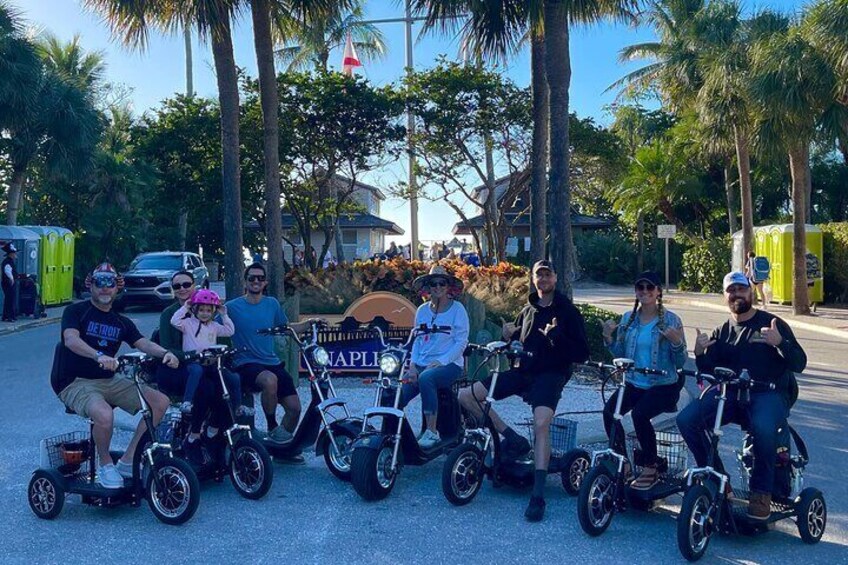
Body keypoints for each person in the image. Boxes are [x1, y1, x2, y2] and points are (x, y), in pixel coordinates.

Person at [458, 260, 589, 522]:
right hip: (523, 372)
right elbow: (517, 343)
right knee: (466, 396)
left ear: (555, 278)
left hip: (551, 375)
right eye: (538, 275)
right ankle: (512, 438)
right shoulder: (527, 309)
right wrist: (508, 337)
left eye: (547, 274)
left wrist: (556, 337)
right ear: (533, 279)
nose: (543, 279)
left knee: (542, 424)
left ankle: (538, 495)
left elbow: (582, 353)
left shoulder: (568, 312)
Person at [676, 271, 807, 521]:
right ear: (725, 296)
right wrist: (701, 353)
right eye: (731, 290)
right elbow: (709, 372)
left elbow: (799, 363)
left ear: (750, 291)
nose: (736, 294)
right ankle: (717, 476)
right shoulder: (721, 331)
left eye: (741, 288)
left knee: (763, 427)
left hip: (768, 394)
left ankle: (761, 493)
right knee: (686, 420)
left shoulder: (773, 324)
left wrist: (780, 343)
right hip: (731, 394)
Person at [52, 263, 177, 489]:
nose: (105, 288)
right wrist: (97, 355)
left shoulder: (121, 322)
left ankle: (129, 460)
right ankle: (106, 463)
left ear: (117, 288)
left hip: (108, 379)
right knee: (104, 414)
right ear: (91, 285)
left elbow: (143, 343)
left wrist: (165, 353)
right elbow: (70, 340)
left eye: (110, 283)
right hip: (75, 382)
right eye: (100, 282)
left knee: (160, 402)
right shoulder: (76, 312)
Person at [227, 263, 324, 461]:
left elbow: (286, 328)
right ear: (245, 282)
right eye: (252, 278)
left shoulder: (272, 304)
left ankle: (280, 448)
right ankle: (271, 426)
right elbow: (206, 319)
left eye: (260, 278)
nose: (256, 281)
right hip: (246, 363)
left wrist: (310, 322)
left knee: (295, 409)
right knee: (269, 381)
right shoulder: (231, 307)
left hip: (271, 361)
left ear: (265, 282)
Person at [601, 271, 686, 490]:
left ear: (658, 291)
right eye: (641, 288)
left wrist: (676, 343)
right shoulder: (628, 320)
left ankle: (651, 467)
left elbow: (681, 360)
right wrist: (609, 337)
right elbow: (619, 353)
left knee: (640, 414)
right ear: (636, 291)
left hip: (663, 384)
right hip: (634, 381)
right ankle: (623, 461)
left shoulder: (671, 320)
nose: (645, 292)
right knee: (610, 412)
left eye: (650, 288)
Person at [399, 265, 469, 448]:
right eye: (433, 284)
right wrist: (412, 366)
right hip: (422, 364)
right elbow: (417, 340)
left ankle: (432, 432)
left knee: (427, 378)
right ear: (428, 287)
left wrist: (441, 361)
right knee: (395, 394)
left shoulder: (458, 309)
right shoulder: (422, 311)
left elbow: (461, 342)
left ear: (448, 286)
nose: (437, 287)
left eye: (442, 283)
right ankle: (395, 434)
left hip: (450, 365)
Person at [2, 242, 17, 322]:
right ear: (10, 254)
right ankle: (10, 316)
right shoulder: (8, 261)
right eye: (14, 254)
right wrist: (12, 279)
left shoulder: (8, 261)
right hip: (8, 283)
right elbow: (7, 271)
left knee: (8, 299)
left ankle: (5, 316)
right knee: (10, 299)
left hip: (7, 283)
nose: (15, 255)